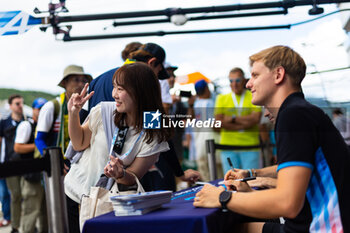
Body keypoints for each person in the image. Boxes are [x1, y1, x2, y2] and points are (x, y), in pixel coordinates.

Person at [194, 45, 350, 233]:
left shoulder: (294, 115)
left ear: (278, 75)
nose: (248, 84)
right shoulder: (299, 111)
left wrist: (222, 197)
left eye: (255, 75)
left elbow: (287, 203)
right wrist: (251, 187)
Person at [64, 62, 170, 233]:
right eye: (114, 87)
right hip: (74, 193)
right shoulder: (104, 111)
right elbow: (79, 143)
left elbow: (134, 176)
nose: (114, 94)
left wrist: (120, 174)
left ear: (140, 91)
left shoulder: (153, 132)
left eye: (120, 89)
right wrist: (74, 113)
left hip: (106, 203)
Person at [128, 43, 201, 191]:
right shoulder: (144, 86)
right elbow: (158, 128)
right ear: (152, 63)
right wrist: (179, 172)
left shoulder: (112, 78)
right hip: (146, 158)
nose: (160, 79)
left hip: (124, 164)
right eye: (159, 72)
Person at [35, 65, 92, 165]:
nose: (81, 84)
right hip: (56, 165)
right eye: (76, 80)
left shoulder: (87, 107)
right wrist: (55, 162)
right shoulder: (52, 107)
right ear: (65, 83)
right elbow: (39, 139)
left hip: (79, 163)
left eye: (83, 80)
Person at [79, 41, 142, 122]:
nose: (114, 95)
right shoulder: (138, 79)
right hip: (123, 129)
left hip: (94, 130)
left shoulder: (96, 81)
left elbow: (82, 117)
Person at [214, 67, 262, 172]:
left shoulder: (253, 94)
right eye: (231, 81)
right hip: (228, 147)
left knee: (252, 181)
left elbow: (255, 119)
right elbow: (218, 122)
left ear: (244, 80)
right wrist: (245, 123)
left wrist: (232, 119)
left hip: (250, 146)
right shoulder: (221, 98)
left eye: (238, 80)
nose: (234, 84)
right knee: (231, 182)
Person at [14, 98, 48, 233]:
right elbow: (17, 147)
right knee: (31, 212)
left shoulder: (47, 125)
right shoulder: (27, 125)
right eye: (39, 108)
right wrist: (39, 146)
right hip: (31, 175)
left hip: (45, 175)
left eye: (44, 108)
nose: (41, 111)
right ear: (33, 109)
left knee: (45, 213)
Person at [0, 94, 26, 233]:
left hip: (25, 164)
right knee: (14, 195)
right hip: (9, 164)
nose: (20, 106)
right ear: (10, 106)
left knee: (27, 194)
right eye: (17, 103)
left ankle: (27, 224)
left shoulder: (26, 121)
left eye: (22, 103)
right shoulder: (4, 123)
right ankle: (15, 226)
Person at [187, 79, 215, 181]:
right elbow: (214, 124)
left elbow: (189, 121)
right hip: (211, 141)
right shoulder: (210, 103)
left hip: (199, 143)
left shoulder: (195, 104)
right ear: (206, 89)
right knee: (216, 173)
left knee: (205, 175)